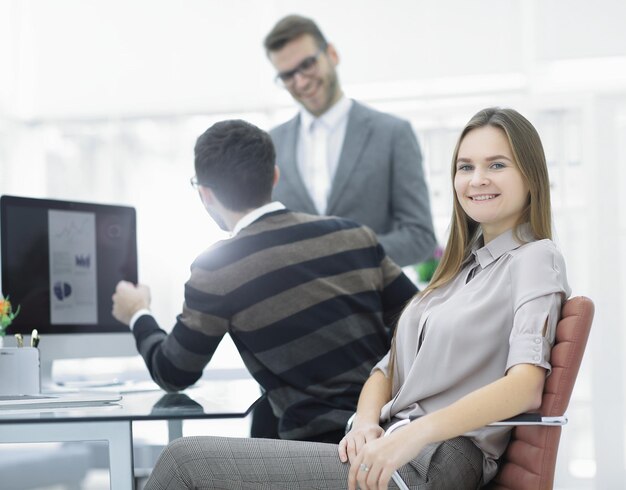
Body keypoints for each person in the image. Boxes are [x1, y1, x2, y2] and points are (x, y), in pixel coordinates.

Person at [142, 107, 571, 490]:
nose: (477, 179)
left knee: (184, 461)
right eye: (465, 166)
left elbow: (526, 386)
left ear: (530, 176)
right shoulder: (458, 272)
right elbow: (387, 367)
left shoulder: (534, 258)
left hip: (435, 457)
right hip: (387, 442)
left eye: (496, 164)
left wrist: (415, 434)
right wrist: (365, 423)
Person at [111, 119, 417, 444]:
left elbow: (173, 372)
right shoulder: (354, 234)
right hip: (398, 432)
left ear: (205, 194)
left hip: (324, 450)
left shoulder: (218, 269)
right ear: (274, 175)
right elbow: (420, 321)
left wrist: (137, 313)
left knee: (185, 460)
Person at [264, 15, 437, 268]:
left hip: (374, 304)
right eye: (288, 75)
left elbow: (420, 237)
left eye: (308, 65)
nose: (301, 81)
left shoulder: (392, 133)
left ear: (332, 54)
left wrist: (345, 252)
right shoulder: (270, 145)